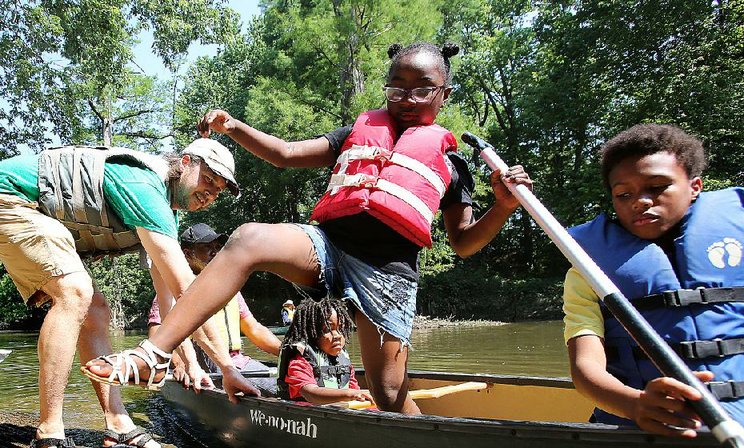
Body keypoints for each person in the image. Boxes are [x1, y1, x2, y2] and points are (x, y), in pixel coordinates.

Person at [83, 41, 533, 414]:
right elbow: (284, 153)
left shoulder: (452, 165)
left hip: (388, 277)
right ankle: (152, 354)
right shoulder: (354, 134)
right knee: (248, 238)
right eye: (397, 88)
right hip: (328, 248)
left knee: (389, 393)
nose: (407, 99)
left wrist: (503, 206)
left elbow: (464, 243)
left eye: (422, 89)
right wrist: (233, 126)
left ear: (444, 93)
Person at [0, 137, 256, 448]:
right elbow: (189, 291)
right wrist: (226, 366)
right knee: (74, 291)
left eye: (218, 190)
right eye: (208, 179)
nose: (209, 193)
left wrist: (194, 363)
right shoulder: (143, 185)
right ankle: (49, 435)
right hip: (10, 198)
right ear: (185, 163)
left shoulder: (164, 215)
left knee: (96, 310)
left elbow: (170, 302)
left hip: (33, 210)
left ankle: (117, 423)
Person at [563, 123, 744, 437]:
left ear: (695, 187)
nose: (641, 201)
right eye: (624, 194)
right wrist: (634, 404)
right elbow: (585, 370)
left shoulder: (742, 255)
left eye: (658, 186)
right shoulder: (587, 272)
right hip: (643, 432)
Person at [148, 223, 282, 384]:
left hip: (237, 362)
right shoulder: (170, 291)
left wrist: (287, 353)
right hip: (205, 366)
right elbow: (156, 338)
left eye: (218, 247)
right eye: (207, 247)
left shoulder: (229, 287)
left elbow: (254, 329)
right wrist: (180, 362)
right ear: (188, 253)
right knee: (281, 388)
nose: (216, 252)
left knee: (295, 379)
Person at [277, 298, 373, 405]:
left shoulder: (342, 358)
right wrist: (350, 394)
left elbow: (354, 388)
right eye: (327, 330)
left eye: (341, 329)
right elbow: (310, 393)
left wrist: (358, 394)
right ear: (311, 333)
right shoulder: (299, 361)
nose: (337, 335)